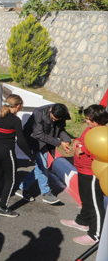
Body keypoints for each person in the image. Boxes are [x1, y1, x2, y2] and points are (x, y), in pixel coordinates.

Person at [62, 105, 108, 245]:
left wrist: (83, 150)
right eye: (87, 118)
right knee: (86, 199)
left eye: (89, 119)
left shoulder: (103, 133)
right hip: (82, 170)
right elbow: (84, 140)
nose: (87, 121)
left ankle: (96, 235)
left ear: (98, 119)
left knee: (95, 203)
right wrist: (77, 140)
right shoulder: (91, 129)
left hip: (92, 172)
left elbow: (99, 152)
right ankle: (82, 221)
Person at [17, 103, 74, 205]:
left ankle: (23, 187)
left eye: (57, 120)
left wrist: (66, 140)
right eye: (52, 118)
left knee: (41, 167)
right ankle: (46, 193)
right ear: (51, 110)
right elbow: (38, 134)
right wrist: (59, 142)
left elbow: (60, 130)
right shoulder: (38, 113)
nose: (54, 121)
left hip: (45, 141)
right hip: (32, 139)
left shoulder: (62, 113)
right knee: (42, 166)